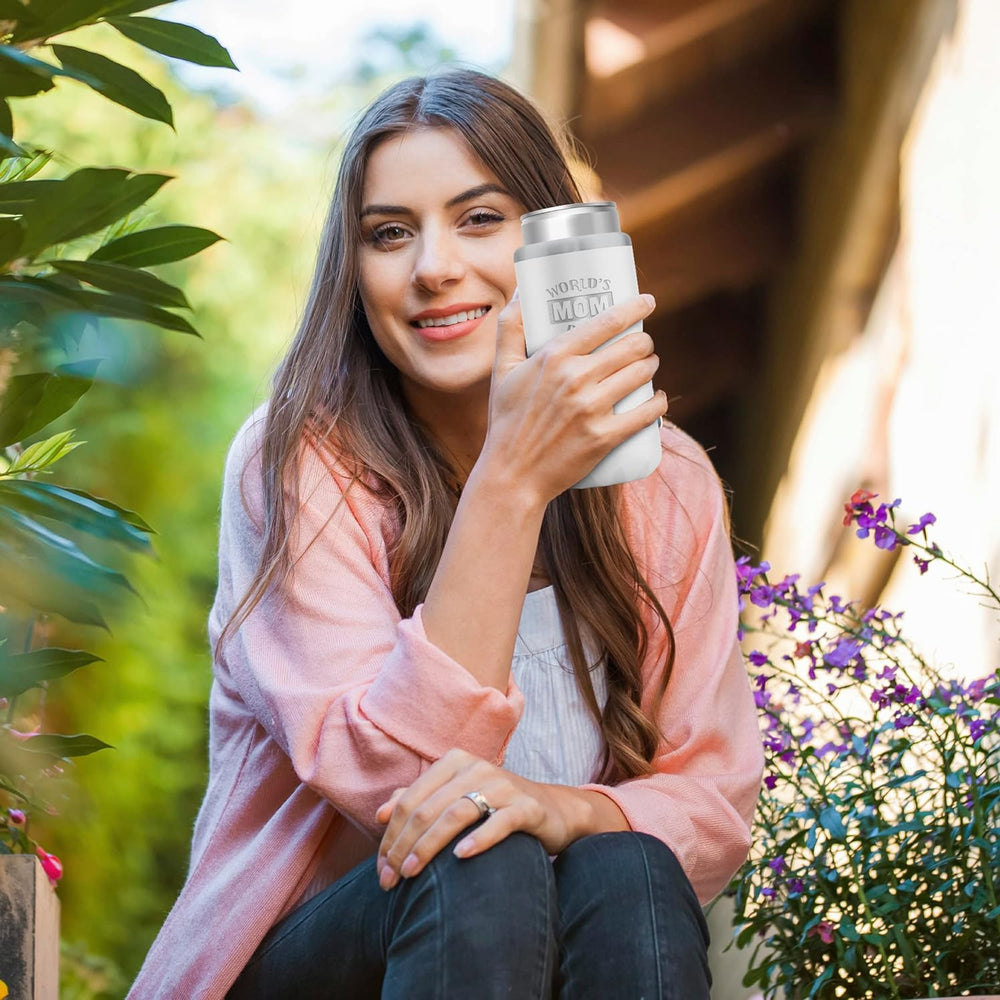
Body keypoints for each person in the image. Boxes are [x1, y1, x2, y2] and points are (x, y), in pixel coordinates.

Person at [127, 67, 764, 999]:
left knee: (626, 862)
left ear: (548, 240)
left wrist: (558, 809)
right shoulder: (300, 460)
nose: (432, 266)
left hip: (553, 956)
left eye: (479, 219)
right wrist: (512, 480)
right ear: (356, 270)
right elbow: (394, 782)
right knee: (477, 852)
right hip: (316, 963)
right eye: (390, 233)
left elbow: (710, 800)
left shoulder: (662, 483)